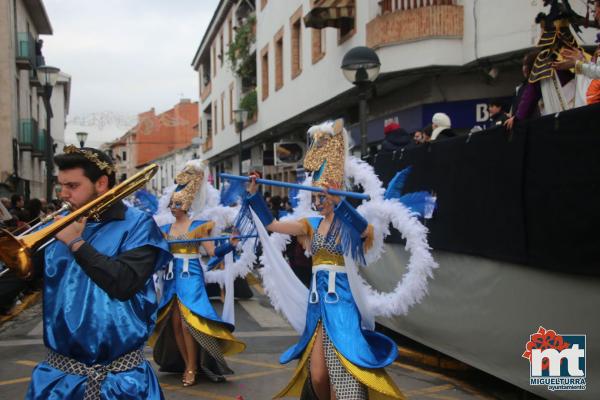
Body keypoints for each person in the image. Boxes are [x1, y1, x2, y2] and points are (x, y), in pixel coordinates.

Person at [241, 119, 407, 399]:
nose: (318, 199)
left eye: (324, 193)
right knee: (317, 374)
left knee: (342, 369)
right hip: (317, 303)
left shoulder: (352, 224)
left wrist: (342, 205)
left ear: (335, 191)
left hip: (341, 301)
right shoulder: (310, 224)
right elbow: (272, 226)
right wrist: (254, 197)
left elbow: (366, 233)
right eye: (316, 194)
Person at [25, 145, 172, 399]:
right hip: (57, 379)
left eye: (72, 186)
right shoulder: (55, 227)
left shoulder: (138, 224)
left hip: (122, 382)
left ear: (101, 183)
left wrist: (76, 244)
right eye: (61, 186)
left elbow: (123, 283)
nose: (63, 194)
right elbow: (23, 279)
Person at [151, 160, 245, 386]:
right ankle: (187, 364)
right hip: (171, 277)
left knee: (188, 323)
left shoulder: (199, 227)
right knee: (174, 325)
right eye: (172, 202)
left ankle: (193, 366)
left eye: (178, 203)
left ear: (187, 203)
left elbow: (213, 253)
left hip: (191, 276)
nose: (173, 206)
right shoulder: (164, 229)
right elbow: (157, 255)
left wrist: (230, 245)